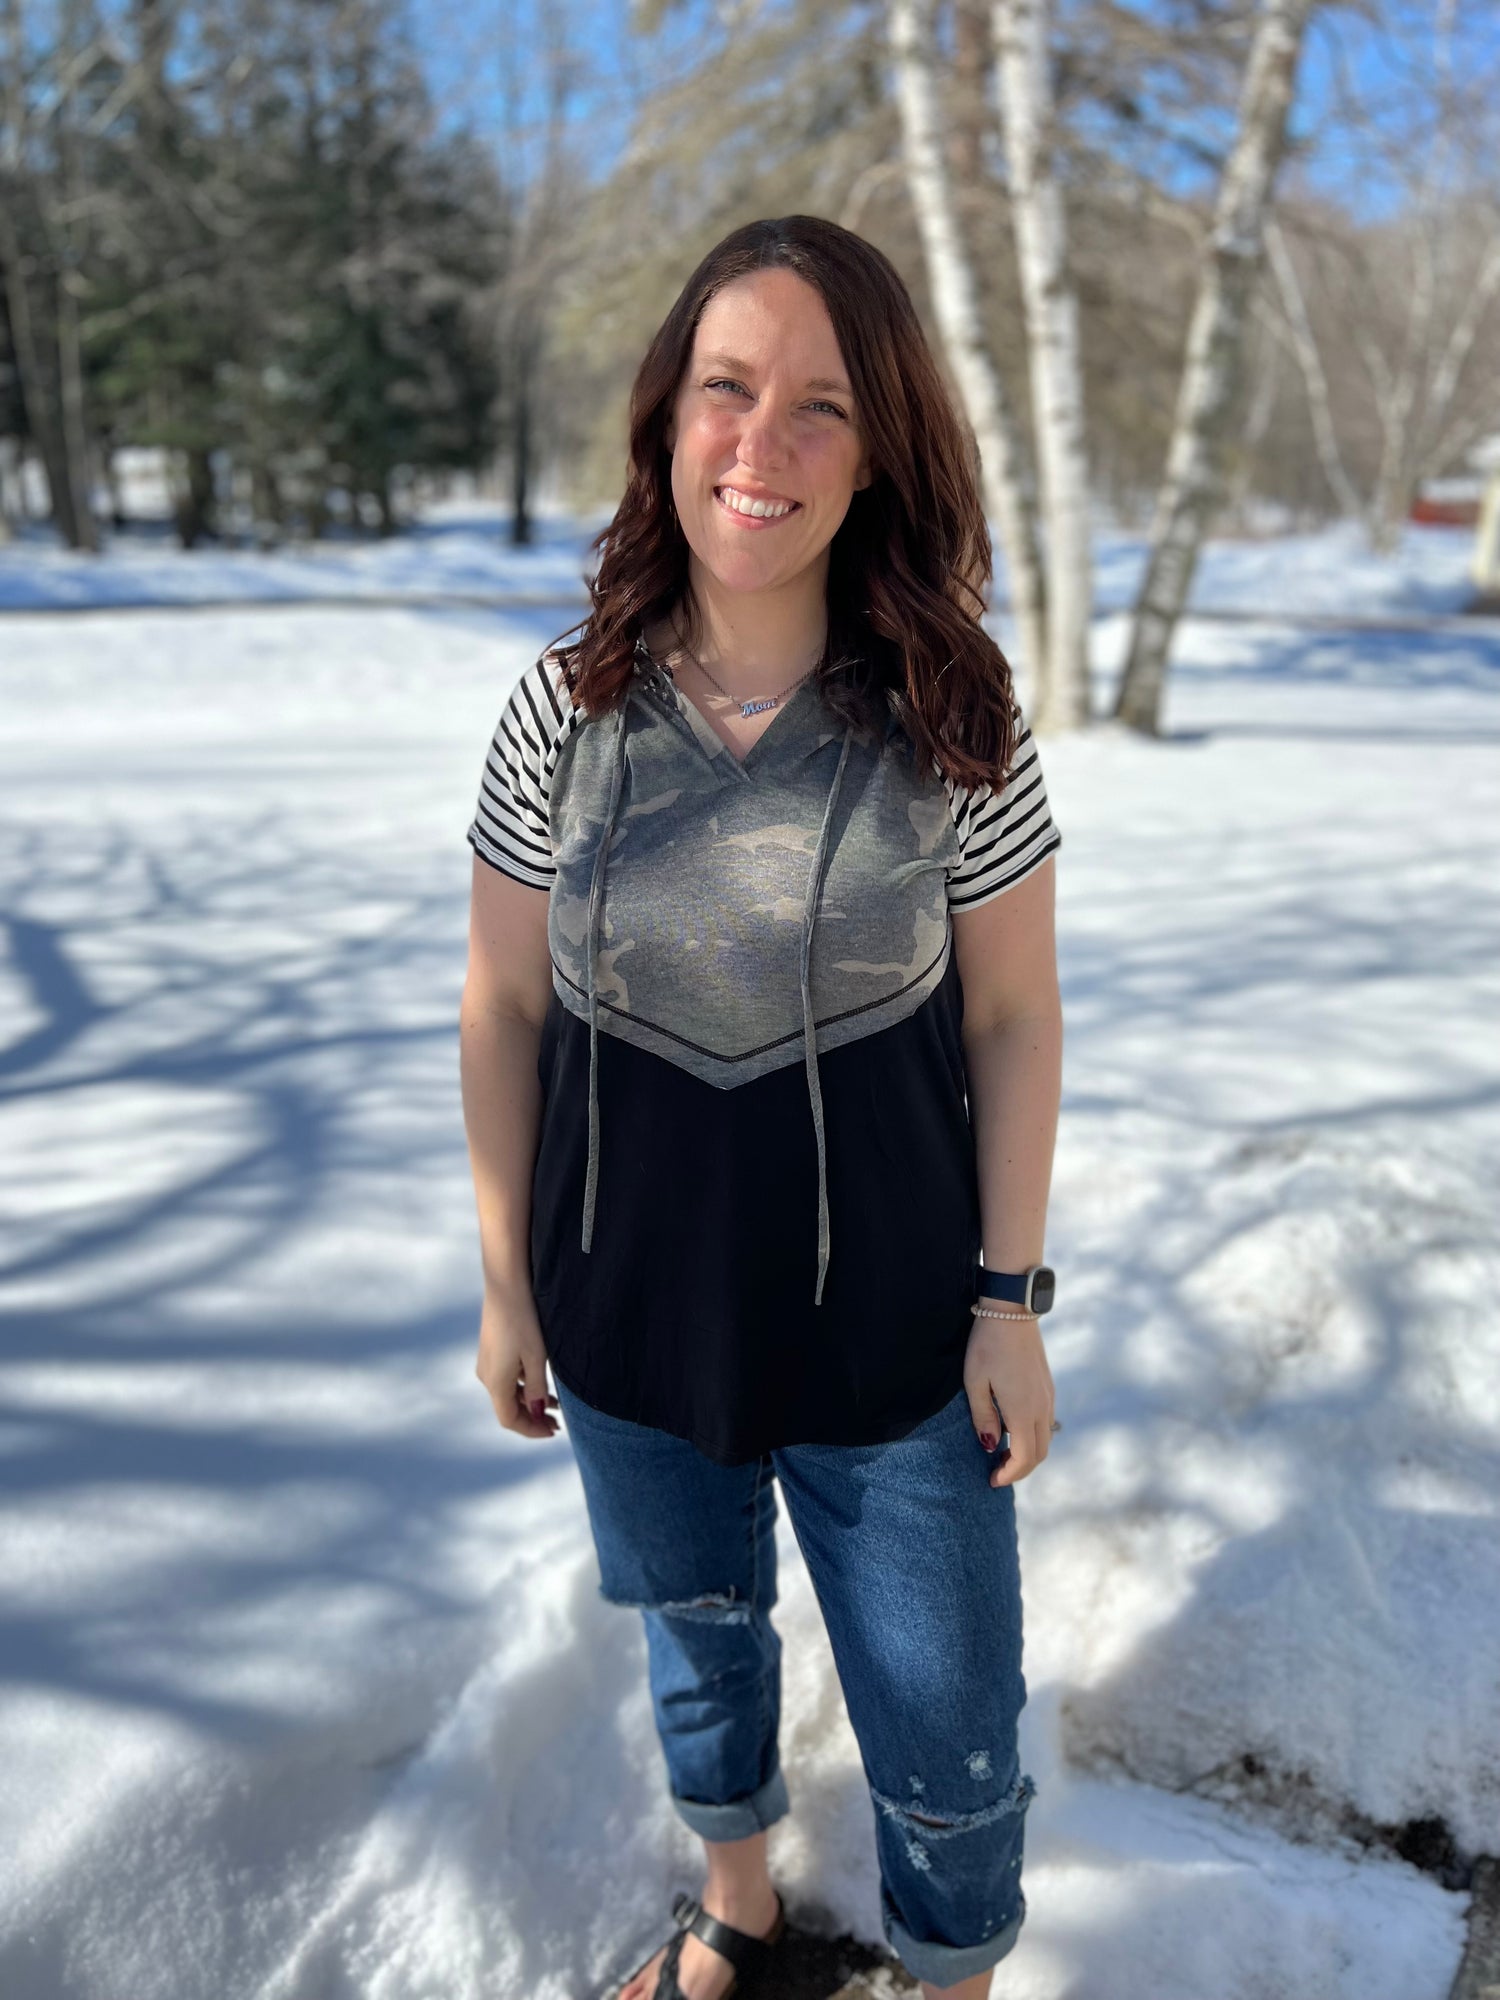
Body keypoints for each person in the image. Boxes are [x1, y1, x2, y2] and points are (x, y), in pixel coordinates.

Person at [459, 214, 1063, 2000]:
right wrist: (508, 1277)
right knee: (697, 1639)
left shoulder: (956, 719)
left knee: (950, 1711)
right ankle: (737, 1904)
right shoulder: (557, 717)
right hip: (627, 1319)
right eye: (728, 390)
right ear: (665, 417)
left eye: (819, 407)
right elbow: (501, 1006)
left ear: (879, 451)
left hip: (893, 1344)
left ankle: (953, 1974)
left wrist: (1008, 1300)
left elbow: (1018, 1016)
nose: (760, 445)